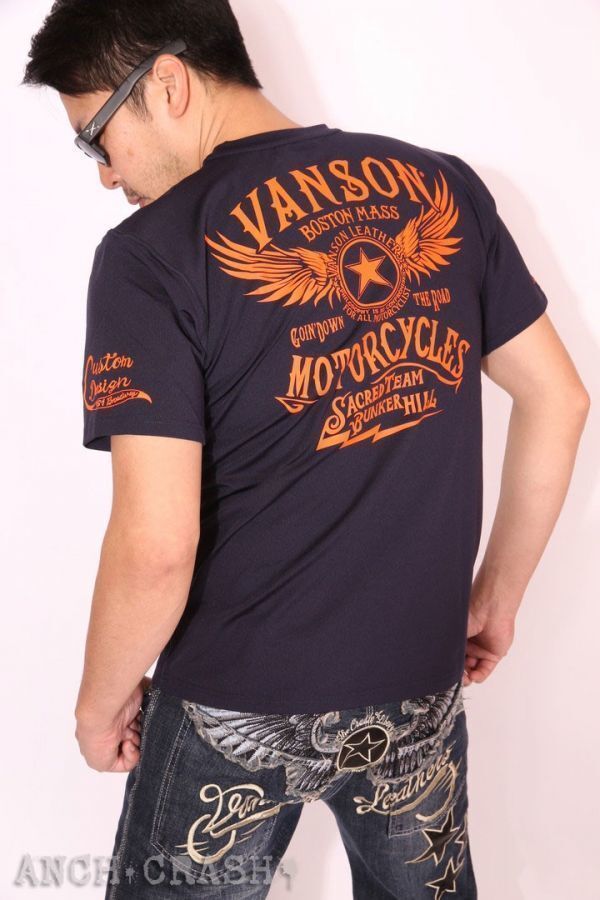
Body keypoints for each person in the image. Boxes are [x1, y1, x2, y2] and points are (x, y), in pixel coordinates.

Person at [22, 1, 590, 897]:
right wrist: (496, 598)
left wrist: (100, 706)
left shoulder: (151, 255)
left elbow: (156, 543)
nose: (105, 174)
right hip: (417, 689)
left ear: (166, 84)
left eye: (98, 136)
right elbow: (559, 398)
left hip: (231, 708)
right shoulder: (441, 187)